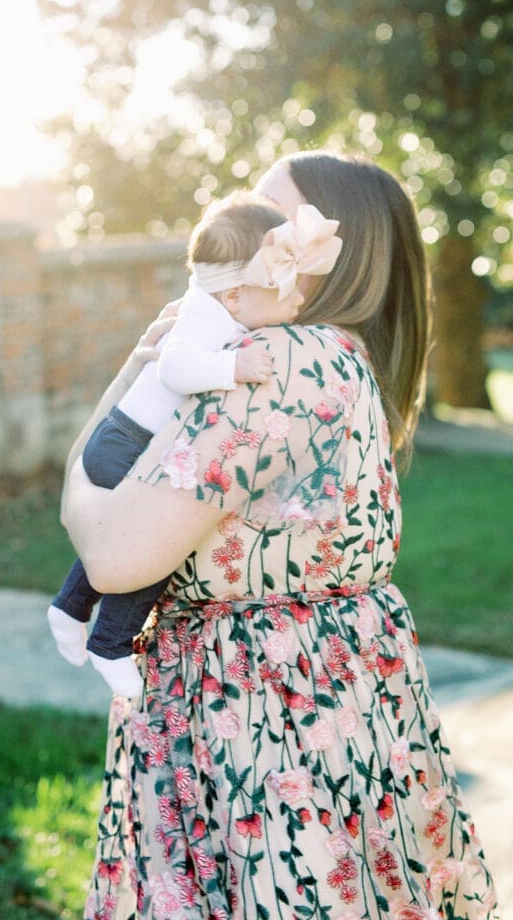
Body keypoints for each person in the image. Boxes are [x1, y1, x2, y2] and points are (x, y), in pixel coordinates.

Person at [63, 151, 500, 920]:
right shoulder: (341, 359)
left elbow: (111, 552)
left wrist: (80, 459)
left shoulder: (282, 359)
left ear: (336, 251)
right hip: (334, 694)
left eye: (272, 220)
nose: (246, 234)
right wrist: (152, 361)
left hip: (258, 712)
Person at [48, 191, 342, 696]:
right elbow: (175, 367)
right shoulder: (205, 317)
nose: (299, 299)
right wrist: (234, 368)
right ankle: (111, 644)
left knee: (115, 534)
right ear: (233, 296)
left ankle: (68, 608)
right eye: (287, 288)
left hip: (124, 437)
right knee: (152, 548)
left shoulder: (222, 314)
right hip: (128, 442)